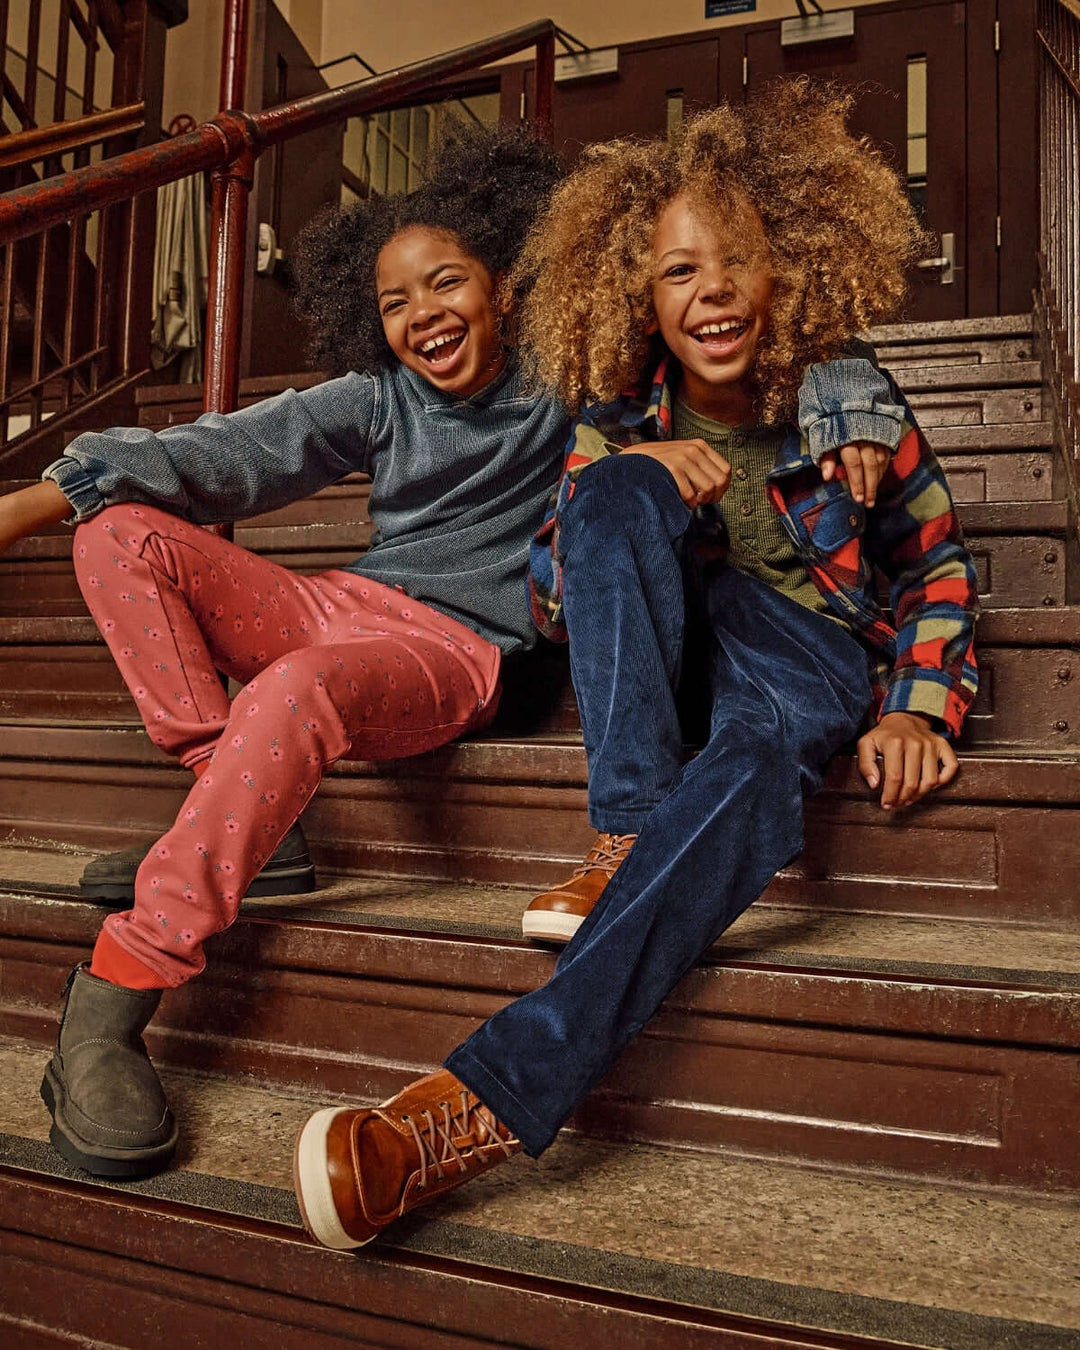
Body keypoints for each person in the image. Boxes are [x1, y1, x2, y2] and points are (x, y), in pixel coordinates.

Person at [0, 119, 898, 1183]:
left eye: (447, 283)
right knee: (118, 533)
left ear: (506, 287)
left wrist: (849, 396)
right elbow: (215, 453)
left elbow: (735, 305)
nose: (424, 314)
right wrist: (20, 507)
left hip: (454, 651)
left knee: (294, 690)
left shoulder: (570, 365)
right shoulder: (379, 397)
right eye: (395, 301)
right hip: (345, 600)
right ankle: (238, 802)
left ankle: (115, 994)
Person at [291, 83, 978, 1251]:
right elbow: (560, 600)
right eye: (674, 273)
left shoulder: (850, 405)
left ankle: (470, 1115)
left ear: (793, 266)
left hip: (807, 658)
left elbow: (937, 564)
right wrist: (647, 470)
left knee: (760, 763)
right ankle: (623, 837)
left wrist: (920, 706)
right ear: (638, 297)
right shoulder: (619, 414)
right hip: (686, 650)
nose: (709, 290)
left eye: (737, 260)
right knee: (604, 494)